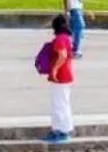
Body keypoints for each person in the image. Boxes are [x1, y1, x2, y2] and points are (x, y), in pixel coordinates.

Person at [40, 13, 76, 143]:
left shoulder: (60, 39)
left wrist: (54, 69)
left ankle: (63, 131)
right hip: (65, 75)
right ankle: (57, 129)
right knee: (61, 103)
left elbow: (62, 55)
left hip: (61, 76)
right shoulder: (67, 38)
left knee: (59, 104)